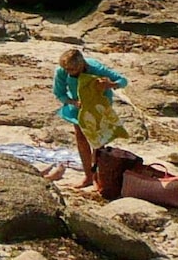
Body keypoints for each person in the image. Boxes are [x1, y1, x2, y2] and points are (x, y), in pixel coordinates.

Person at [54, 48, 128, 181]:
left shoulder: (96, 68)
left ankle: (98, 174)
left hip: (98, 106)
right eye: (67, 70)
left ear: (81, 65)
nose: (69, 72)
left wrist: (110, 84)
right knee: (81, 137)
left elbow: (123, 81)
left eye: (72, 70)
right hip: (78, 105)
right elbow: (59, 93)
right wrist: (72, 102)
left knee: (97, 140)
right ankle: (88, 175)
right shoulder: (62, 71)